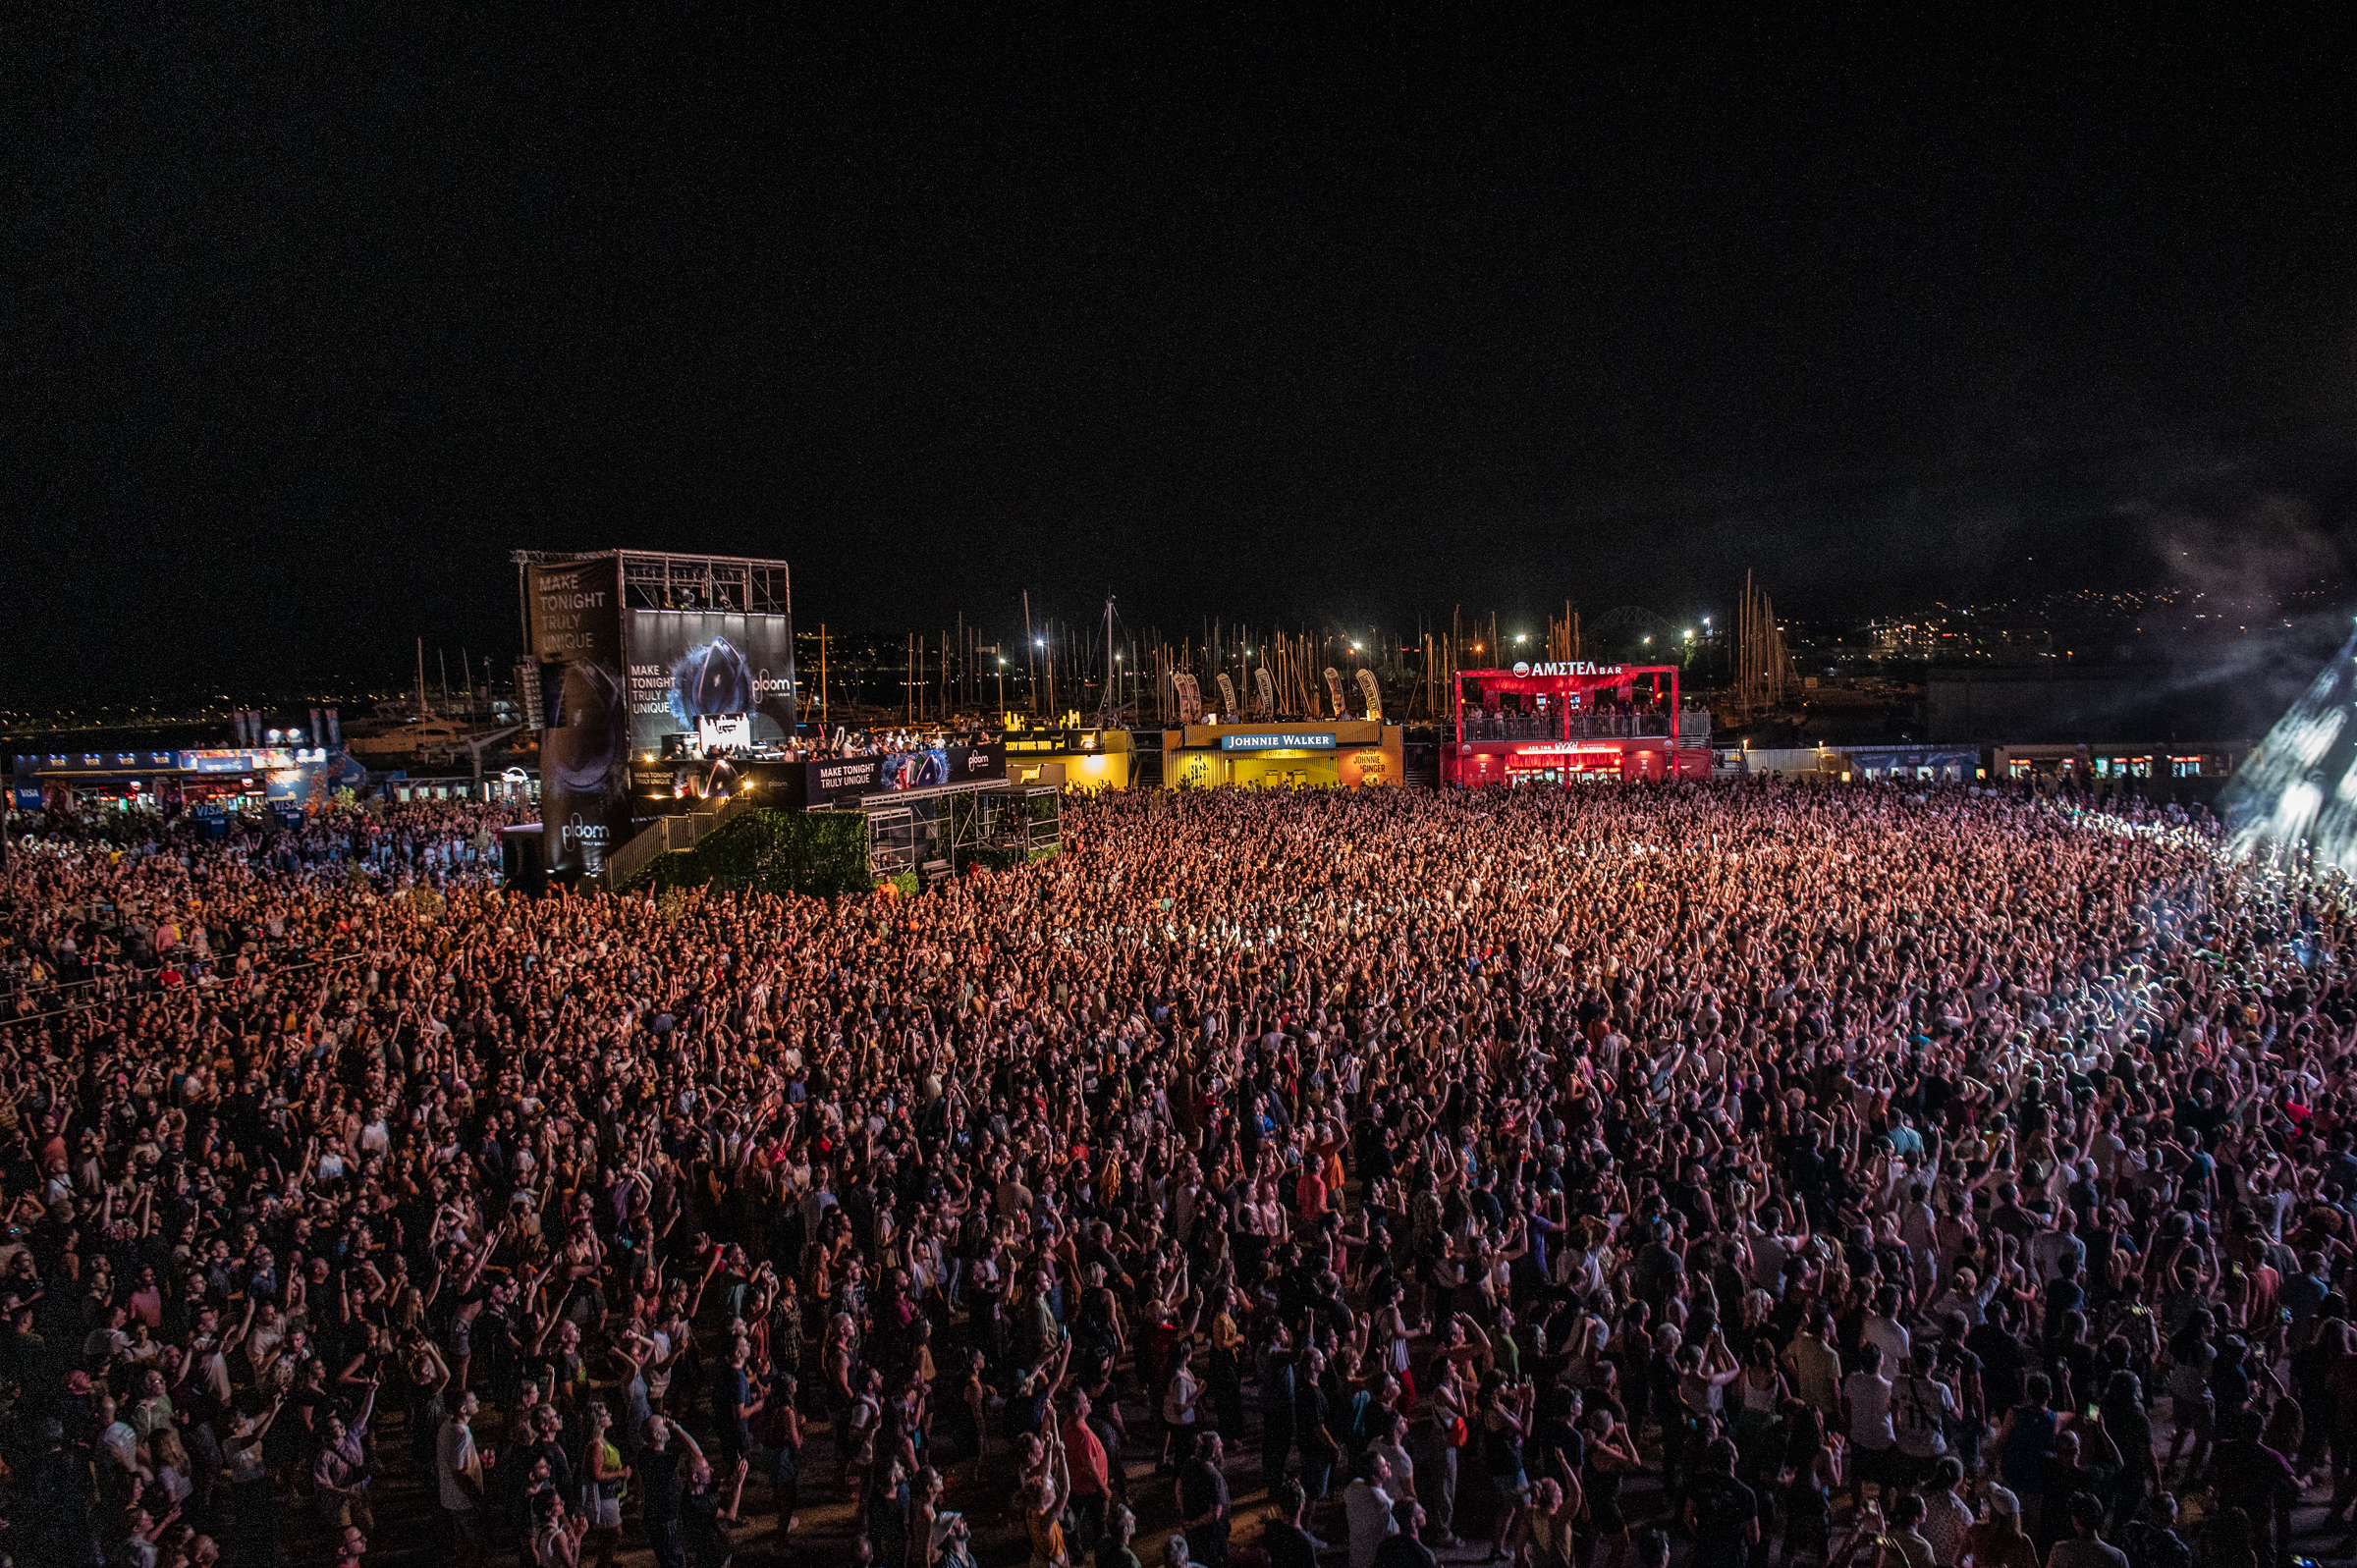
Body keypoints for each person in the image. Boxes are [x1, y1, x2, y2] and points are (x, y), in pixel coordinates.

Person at [1178, 1430, 1232, 1568]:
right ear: (1212, 1452)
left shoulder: (1189, 1464)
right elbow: (1215, 1514)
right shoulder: (1214, 1477)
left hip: (1193, 1534)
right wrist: (1193, 1524)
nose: (1222, 1446)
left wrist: (1183, 1514)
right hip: (1211, 1537)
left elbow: (1178, 1485)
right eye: (1219, 1446)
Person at [1343, 1451, 1400, 1568]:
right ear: (1374, 1476)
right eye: (1383, 1465)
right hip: (1375, 1561)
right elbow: (1394, 1533)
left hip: (1356, 1558)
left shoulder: (1353, 1487)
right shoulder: (1383, 1504)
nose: (1389, 1464)